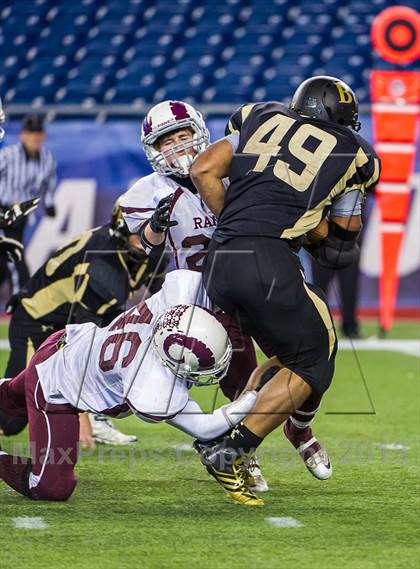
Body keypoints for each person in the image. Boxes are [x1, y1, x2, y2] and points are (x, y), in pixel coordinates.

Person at [190, 75, 381, 505]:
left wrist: (236, 224)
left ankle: (231, 430)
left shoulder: (258, 115)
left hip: (219, 261)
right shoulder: (356, 152)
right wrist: (316, 231)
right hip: (268, 260)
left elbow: (202, 168)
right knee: (315, 358)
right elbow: (344, 234)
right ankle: (230, 450)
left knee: (286, 357)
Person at [0, 270, 258, 501]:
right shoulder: (149, 382)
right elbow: (205, 427)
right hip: (55, 386)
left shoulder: (177, 303)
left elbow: (191, 280)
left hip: (68, 343)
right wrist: (254, 397)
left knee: (10, 397)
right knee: (51, 488)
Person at [120, 100, 267, 490]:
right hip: (189, 299)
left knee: (259, 372)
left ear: (200, 134)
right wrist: (154, 226)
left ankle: (249, 448)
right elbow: (140, 247)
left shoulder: (230, 173)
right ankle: (224, 446)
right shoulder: (147, 192)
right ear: (154, 150)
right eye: (167, 141)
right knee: (163, 384)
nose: (178, 146)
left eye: (183, 136)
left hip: (240, 287)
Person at [0, 200, 167, 445]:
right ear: (122, 227)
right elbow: (82, 340)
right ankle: (92, 415)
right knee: (12, 417)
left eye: (150, 228)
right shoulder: (102, 262)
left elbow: (162, 295)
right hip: (37, 323)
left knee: (128, 343)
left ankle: (100, 413)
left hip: (72, 320)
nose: (144, 237)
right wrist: (82, 417)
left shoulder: (150, 251)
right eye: (138, 230)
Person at [0, 114, 57, 291]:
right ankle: (21, 306)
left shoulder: (47, 159)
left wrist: (49, 204)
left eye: (38, 132)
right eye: (31, 132)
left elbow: (48, 184)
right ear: (22, 135)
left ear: (44, 136)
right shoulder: (8, 156)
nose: (35, 136)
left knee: (4, 264)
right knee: (14, 258)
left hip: (21, 216)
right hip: (3, 211)